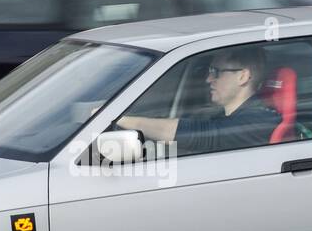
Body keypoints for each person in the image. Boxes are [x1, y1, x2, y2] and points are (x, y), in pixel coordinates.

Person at [118, 45, 279, 154]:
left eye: (216, 71)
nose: (208, 79)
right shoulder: (222, 116)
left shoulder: (259, 121)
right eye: (209, 71)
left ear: (243, 76)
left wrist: (121, 120)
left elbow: (199, 135)